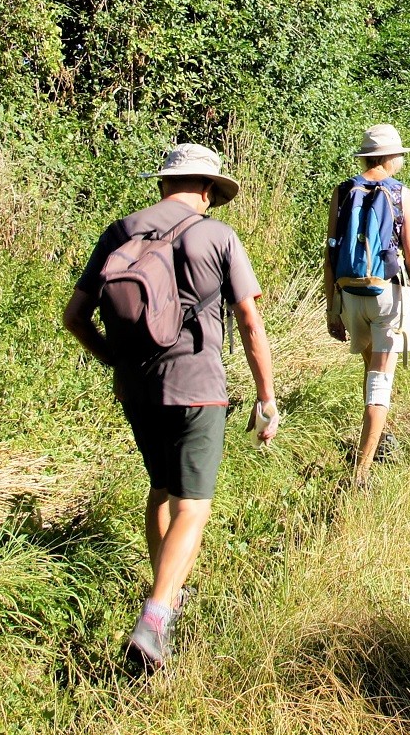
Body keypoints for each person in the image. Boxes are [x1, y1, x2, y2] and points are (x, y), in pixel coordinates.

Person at [63, 143, 278, 667]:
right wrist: (267, 397)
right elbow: (249, 322)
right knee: (194, 504)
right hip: (198, 386)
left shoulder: (120, 232)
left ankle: (167, 593)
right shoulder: (218, 236)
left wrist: (117, 362)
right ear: (207, 190)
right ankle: (157, 615)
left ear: (163, 184)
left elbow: (74, 317)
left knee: (160, 488)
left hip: (137, 388)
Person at [324, 124, 410, 489]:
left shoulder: (342, 190)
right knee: (381, 382)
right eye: (399, 155)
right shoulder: (401, 195)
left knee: (370, 374)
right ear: (388, 157)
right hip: (387, 294)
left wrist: (331, 308)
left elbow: (331, 252)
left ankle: (377, 438)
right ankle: (361, 471)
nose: (400, 160)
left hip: (350, 293)